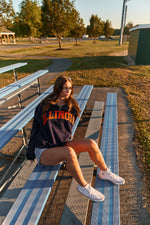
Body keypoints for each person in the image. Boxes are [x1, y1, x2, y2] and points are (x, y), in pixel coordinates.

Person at [27, 75, 125, 202]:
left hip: (61, 145)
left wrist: (67, 139)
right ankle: (84, 186)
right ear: (57, 88)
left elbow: (67, 128)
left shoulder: (71, 105)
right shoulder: (44, 106)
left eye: (70, 88)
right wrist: (30, 155)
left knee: (91, 143)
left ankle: (104, 171)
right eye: (65, 88)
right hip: (44, 150)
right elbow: (35, 130)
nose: (68, 91)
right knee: (69, 152)